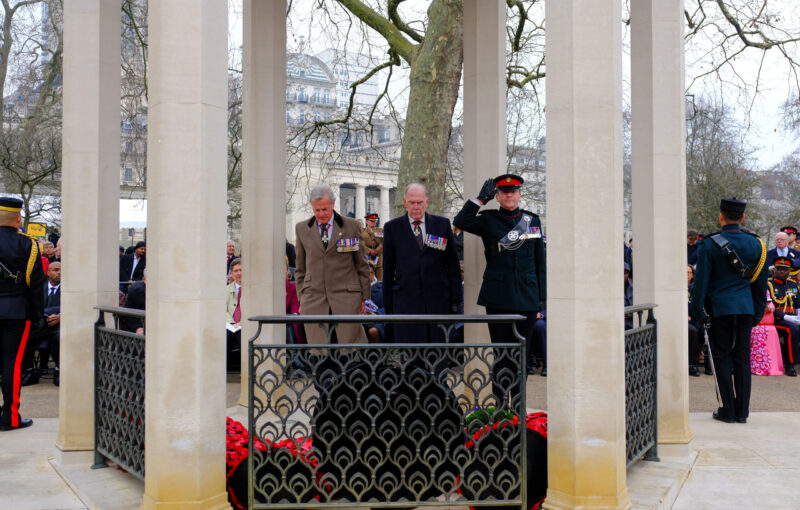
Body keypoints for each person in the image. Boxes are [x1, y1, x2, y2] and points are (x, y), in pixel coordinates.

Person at [454, 174, 546, 404]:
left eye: (513, 191)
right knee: (502, 355)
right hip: (499, 298)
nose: (509, 195)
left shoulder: (532, 221)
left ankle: (517, 406)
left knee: (521, 356)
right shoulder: (488, 220)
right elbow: (461, 221)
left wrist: (542, 301)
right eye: (504, 192)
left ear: (519, 194)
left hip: (527, 298)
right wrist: (479, 200)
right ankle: (500, 405)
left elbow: (539, 263)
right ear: (497, 196)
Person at [690, 198, 768, 424]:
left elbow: (701, 282)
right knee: (743, 360)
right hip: (745, 309)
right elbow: (760, 285)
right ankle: (742, 412)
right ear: (743, 218)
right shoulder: (756, 244)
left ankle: (727, 409)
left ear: (721, 216)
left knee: (722, 358)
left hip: (720, 310)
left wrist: (698, 311)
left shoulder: (709, 243)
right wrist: (756, 314)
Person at [382, 183, 462, 343]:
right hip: (406, 302)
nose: (416, 207)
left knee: (438, 351)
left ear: (427, 202)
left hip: (438, 301)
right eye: (412, 202)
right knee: (412, 352)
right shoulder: (392, 228)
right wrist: (388, 305)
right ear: (405, 203)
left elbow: (452, 264)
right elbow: (388, 268)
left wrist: (456, 299)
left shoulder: (442, 225)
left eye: (419, 202)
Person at [294, 183, 370, 344]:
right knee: (319, 352)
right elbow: (300, 269)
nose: (321, 214)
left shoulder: (352, 226)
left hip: (347, 298)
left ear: (333, 205)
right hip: (313, 299)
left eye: (325, 209)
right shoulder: (302, 229)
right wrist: (302, 298)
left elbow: (361, 265)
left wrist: (364, 298)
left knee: (348, 350)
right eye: (317, 210)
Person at [0, 196, 45, 430]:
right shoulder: (28, 244)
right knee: (12, 364)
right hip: (17, 311)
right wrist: (39, 314)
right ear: (18, 218)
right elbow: (36, 284)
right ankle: (10, 417)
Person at [21, 261, 61, 387]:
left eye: (61, 270)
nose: (59, 273)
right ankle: (30, 371)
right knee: (23, 335)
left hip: (57, 327)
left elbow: (73, 306)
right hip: (38, 327)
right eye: (55, 270)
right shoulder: (38, 288)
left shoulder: (69, 290)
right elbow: (30, 305)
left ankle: (59, 371)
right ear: (47, 272)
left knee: (60, 337)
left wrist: (61, 316)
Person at [766, 256, 800, 376]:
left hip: (793, 318)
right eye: (779, 268)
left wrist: (798, 317)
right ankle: (790, 365)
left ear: (789, 271)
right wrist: (786, 317)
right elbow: (768, 306)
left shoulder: (793, 285)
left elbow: (798, 303)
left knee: (795, 326)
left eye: (785, 269)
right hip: (776, 319)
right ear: (774, 270)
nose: (782, 271)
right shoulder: (768, 284)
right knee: (793, 329)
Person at [749, 291, 784, 376]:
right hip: (757, 326)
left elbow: (772, 307)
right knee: (759, 331)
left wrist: (770, 308)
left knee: (772, 330)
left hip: (770, 326)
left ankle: (772, 366)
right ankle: (759, 367)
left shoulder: (767, 291)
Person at [225, 258, 242, 371]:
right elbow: (222, 309)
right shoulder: (226, 289)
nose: (239, 273)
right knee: (224, 336)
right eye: (235, 271)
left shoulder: (253, 289)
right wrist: (231, 322)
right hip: (229, 324)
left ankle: (247, 370)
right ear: (231, 273)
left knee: (243, 336)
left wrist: (242, 322)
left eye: (241, 270)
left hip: (245, 323)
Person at [360, 213, 384, 280]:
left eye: (375, 221)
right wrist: (370, 251)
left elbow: (383, 242)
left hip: (378, 255)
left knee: (379, 273)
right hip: (367, 255)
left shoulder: (380, 230)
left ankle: (379, 288)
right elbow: (360, 243)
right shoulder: (362, 231)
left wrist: (376, 251)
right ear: (367, 222)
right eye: (372, 221)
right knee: (368, 273)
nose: (374, 223)